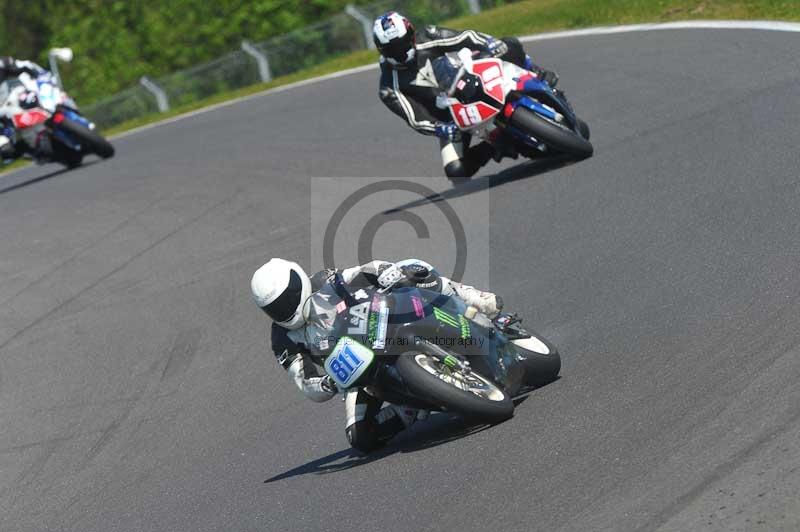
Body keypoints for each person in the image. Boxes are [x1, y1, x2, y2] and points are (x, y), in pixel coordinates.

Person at [251, 258, 505, 453]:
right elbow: (305, 383)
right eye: (275, 308)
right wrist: (328, 383)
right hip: (361, 373)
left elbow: (366, 269)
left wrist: (388, 271)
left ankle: (471, 298)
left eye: (287, 299)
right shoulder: (282, 340)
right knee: (361, 437)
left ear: (298, 282)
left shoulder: (325, 280)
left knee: (415, 268)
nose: (284, 309)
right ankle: (406, 409)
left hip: (387, 323)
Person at [373, 12, 559, 182]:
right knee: (456, 171)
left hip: (468, 76)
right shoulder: (388, 88)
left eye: (403, 43)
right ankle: (494, 147)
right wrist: (440, 128)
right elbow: (415, 119)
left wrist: (489, 43)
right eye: (392, 50)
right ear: (382, 51)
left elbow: (465, 37)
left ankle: (536, 72)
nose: (400, 52)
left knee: (508, 44)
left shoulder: (428, 36)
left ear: (411, 35)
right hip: (452, 119)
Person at [0, 56, 46, 162]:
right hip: (4, 111)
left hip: (16, 95)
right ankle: (25, 148)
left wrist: (34, 73)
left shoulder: (2, 63)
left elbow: (23, 66)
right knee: (6, 149)